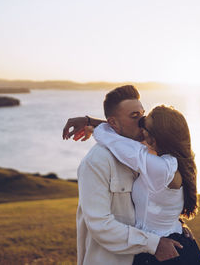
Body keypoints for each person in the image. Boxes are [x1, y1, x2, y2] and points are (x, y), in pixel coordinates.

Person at [63, 85, 186, 265]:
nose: (143, 122)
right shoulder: (96, 162)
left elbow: (155, 200)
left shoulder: (147, 151)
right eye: (135, 117)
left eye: (142, 115)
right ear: (113, 124)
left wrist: (173, 225)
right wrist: (154, 243)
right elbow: (100, 225)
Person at [92, 105, 200, 265]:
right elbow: (125, 137)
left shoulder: (161, 169)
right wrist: (92, 121)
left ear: (156, 137)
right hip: (174, 243)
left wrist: (94, 125)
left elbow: (113, 140)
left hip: (163, 253)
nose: (140, 127)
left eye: (144, 125)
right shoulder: (175, 161)